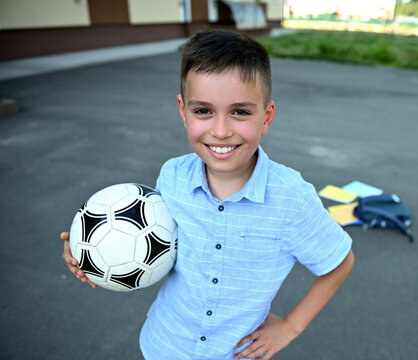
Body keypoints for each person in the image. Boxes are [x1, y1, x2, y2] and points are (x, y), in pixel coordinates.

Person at [61, 30, 355, 360]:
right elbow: (149, 241)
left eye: (240, 112)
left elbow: (339, 262)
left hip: (235, 354)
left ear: (266, 117)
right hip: (164, 344)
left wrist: (290, 327)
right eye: (203, 111)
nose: (220, 130)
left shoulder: (291, 198)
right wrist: (92, 250)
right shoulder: (172, 177)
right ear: (183, 110)